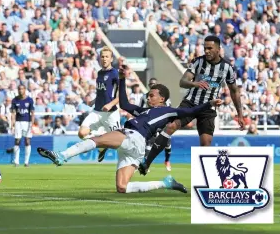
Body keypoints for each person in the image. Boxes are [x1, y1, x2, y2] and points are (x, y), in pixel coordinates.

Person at [37, 67, 223, 193]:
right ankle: (165, 183)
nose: (149, 98)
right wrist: (122, 80)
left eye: (152, 95)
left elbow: (190, 110)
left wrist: (209, 103)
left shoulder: (168, 110)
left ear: (162, 98)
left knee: (97, 139)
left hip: (134, 136)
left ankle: (62, 156)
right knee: (122, 187)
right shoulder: (145, 110)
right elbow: (124, 103)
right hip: (136, 148)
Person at [138, 35, 245, 176]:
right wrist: (194, 83)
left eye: (210, 48)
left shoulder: (227, 68)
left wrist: (240, 114)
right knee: (170, 126)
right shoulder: (198, 62)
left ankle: (203, 179)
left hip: (208, 107)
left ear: (218, 49)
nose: (206, 51)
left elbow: (234, 91)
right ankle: (147, 162)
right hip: (190, 103)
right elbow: (182, 81)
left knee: (206, 143)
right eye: (205, 48)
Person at [77, 46, 120, 163]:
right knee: (81, 133)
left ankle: (139, 161)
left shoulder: (115, 73)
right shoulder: (100, 73)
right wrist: (94, 101)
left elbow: (121, 95)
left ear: (111, 59)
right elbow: (102, 92)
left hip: (111, 114)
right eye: (102, 57)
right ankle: (101, 144)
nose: (104, 59)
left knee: (118, 143)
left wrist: (110, 105)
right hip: (97, 111)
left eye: (107, 57)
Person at [140, 77, 172, 171]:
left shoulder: (164, 97)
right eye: (150, 84)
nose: (152, 85)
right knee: (149, 144)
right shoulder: (144, 97)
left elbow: (169, 109)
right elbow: (140, 109)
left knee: (167, 143)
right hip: (150, 122)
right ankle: (146, 164)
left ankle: (167, 161)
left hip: (162, 122)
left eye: (154, 84)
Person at [11, 84, 35, 167]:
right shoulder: (15, 100)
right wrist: (12, 123)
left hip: (27, 122)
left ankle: (26, 162)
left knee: (27, 140)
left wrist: (32, 123)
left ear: (25, 90)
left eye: (22, 89)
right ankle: (16, 161)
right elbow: (13, 113)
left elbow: (32, 113)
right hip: (18, 122)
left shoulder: (29, 100)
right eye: (19, 89)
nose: (20, 90)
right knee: (17, 140)